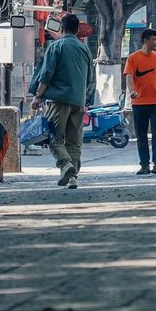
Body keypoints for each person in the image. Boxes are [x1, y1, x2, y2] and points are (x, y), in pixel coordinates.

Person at [28, 11, 93, 190]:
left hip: (58, 100)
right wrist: (83, 95)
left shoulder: (56, 46)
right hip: (79, 100)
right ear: (77, 29)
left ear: (62, 28)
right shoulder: (84, 48)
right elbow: (89, 78)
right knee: (74, 141)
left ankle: (65, 165)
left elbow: (46, 74)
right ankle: (73, 178)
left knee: (55, 138)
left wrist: (38, 96)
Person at [122, 29, 156, 176]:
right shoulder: (133, 58)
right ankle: (144, 165)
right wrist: (132, 91)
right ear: (146, 41)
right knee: (141, 135)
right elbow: (129, 76)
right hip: (139, 103)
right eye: (154, 40)